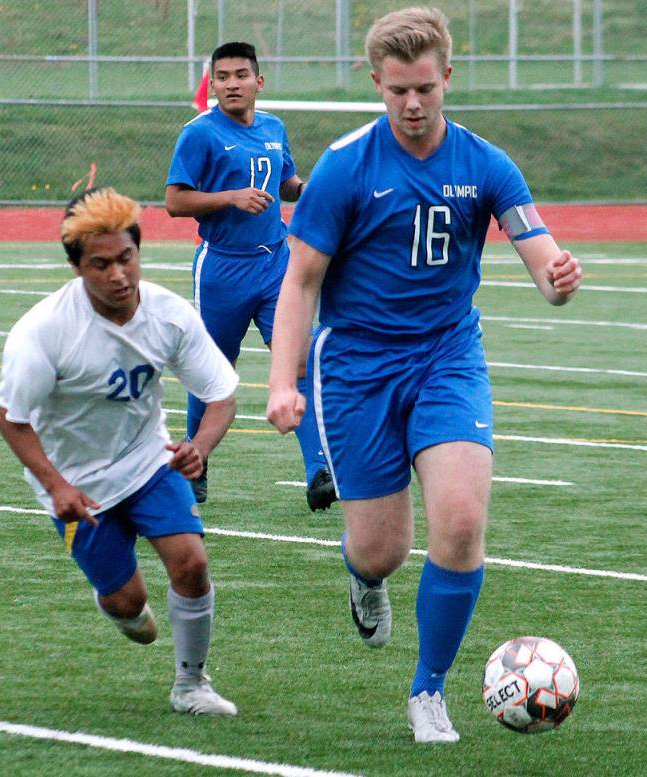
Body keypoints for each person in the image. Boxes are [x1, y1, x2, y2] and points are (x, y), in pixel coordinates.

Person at [265, 7, 583, 744]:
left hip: (447, 358)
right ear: (376, 82)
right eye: (398, 90)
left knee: (462, 524)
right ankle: (363, 575)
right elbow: (300, 281)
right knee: (382, 549)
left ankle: (428, 690)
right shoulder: (346, 166)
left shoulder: (485, 164)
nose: (412, 104)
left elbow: (541, 255)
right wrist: (284, 381)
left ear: (448, 76)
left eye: (425, 88)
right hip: (357, 369)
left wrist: (559, 280)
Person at [0, 186, 239, 716]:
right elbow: (10, 417)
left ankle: (191, 685)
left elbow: (221, 395)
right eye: (100, 265)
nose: (119, 275)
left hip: (149, 461)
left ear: (139, 250)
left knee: (191, 563)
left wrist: (199, 447)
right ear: (76, 268)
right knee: (129, 604)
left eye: (126, 258)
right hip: (76, 486)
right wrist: (56, 485)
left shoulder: (169, 314)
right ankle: (117, 601)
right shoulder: (44, 331)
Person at [165, 41, 335, 512]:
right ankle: (195, 461)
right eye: (222, 77)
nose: (232, 84)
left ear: (259, 82)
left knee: (299, 361)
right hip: (221, 268)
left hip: (275, 264)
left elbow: (285, 183)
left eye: (241, 75)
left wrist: (313, 190)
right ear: (213, 85)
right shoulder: (199, 134)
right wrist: (230, 197)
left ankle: (319, 472)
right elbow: (175, 201)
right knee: (212, 372)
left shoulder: (273, 127)